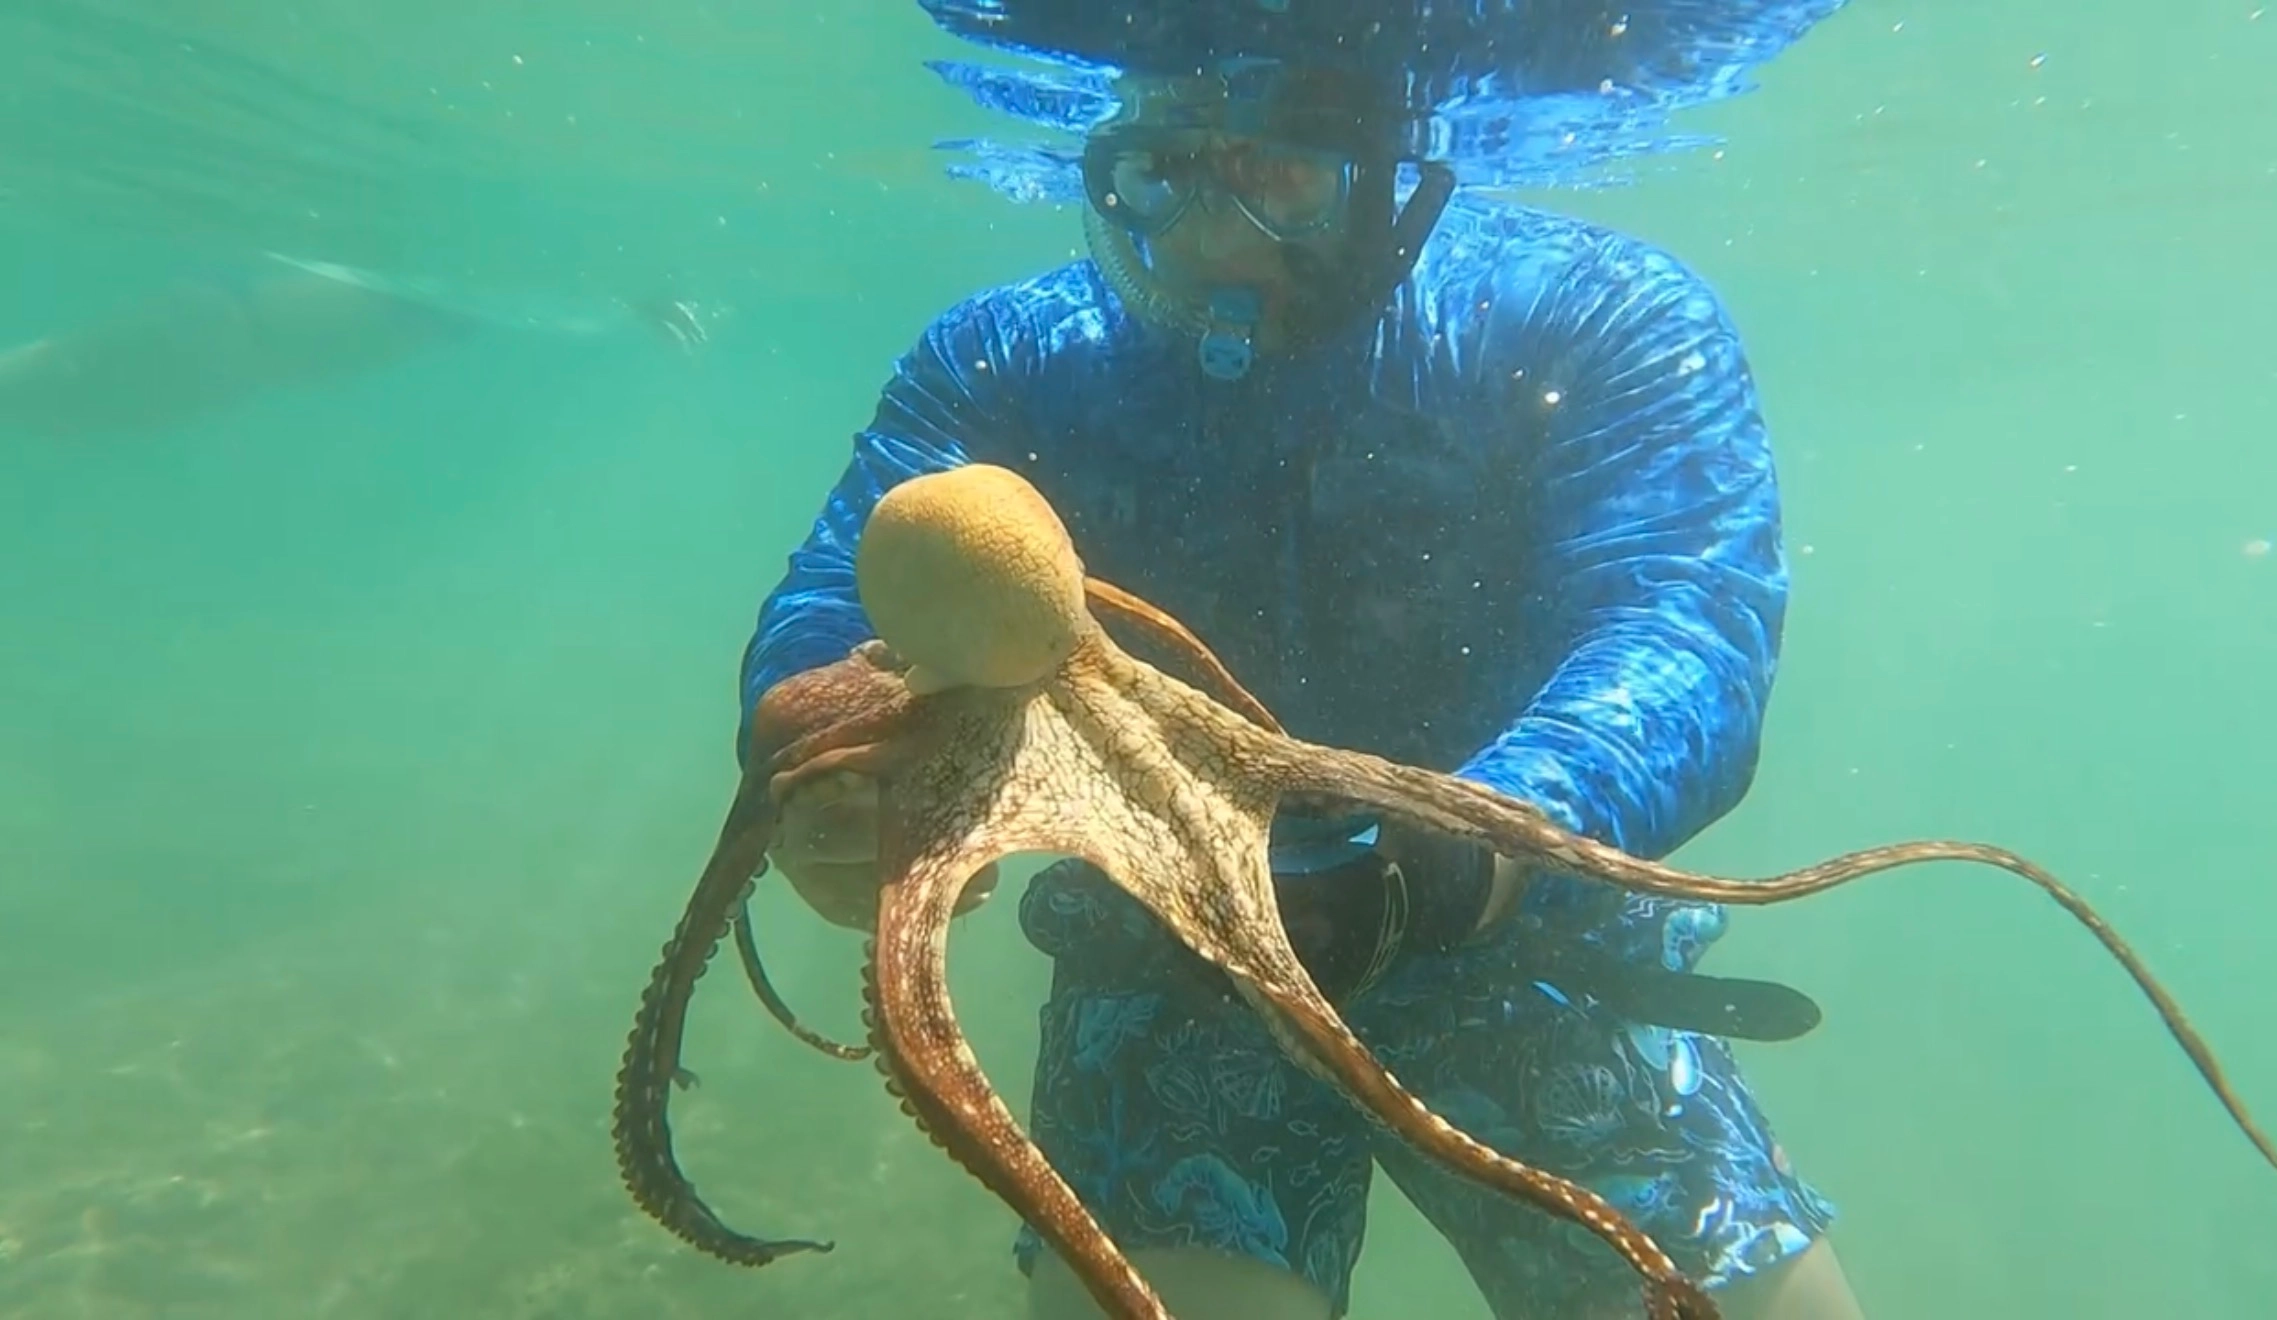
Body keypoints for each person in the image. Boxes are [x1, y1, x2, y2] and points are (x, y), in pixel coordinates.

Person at [749, 2, 1867, 1316]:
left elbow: (1686, 628)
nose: (1215, 239)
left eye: (1279, 176)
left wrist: (1449, 855)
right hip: (1167, 941)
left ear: (1390, 171)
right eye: (1162, 177)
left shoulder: (1593, 319)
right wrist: (821, 753)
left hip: (1528, 949)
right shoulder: (1006, 362)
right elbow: (843, 590)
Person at [0, 251, 707, 440]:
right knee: (451, 307)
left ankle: (639, 299)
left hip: (273, 332)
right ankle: (639, 299)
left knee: (447, 306)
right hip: (278, 337)